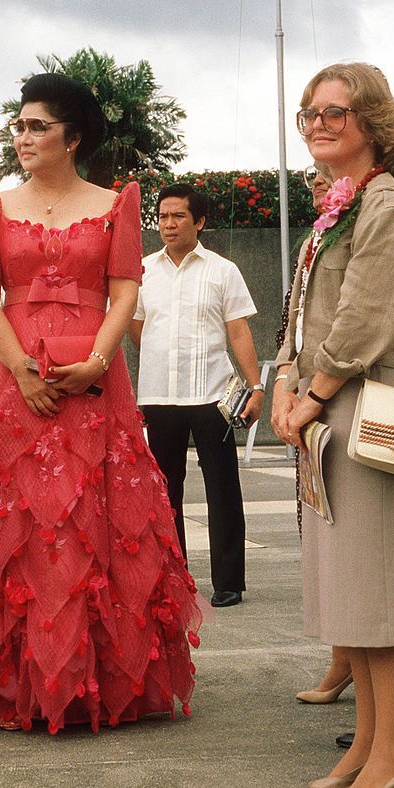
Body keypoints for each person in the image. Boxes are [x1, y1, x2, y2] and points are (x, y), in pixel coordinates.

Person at [0, 73, 203, 735]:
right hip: (16, 383)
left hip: (95, 381)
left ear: (72, 136)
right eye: (18, 125)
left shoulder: (116, 203)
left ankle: (100, 679)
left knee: (96, 520)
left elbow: (124, 291)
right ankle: (10, 682)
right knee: (8, 521)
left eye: (37, 125)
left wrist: (98, 361)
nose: (23, 136)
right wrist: (20, 369)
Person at [272, 62, 394, 788]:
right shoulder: (338, 208)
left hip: (373, 409)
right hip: (331, 406)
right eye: (309, 112)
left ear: (372, 121)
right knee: (353, 592)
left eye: (334, 112)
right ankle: (370, 742)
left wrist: (309, 396)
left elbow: (366, 317)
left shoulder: (387, 207)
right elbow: (303, 311)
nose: (316, 123)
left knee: (384, 591)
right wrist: (283, 381)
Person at [129, 183, 263, 608]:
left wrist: (256, 387)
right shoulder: (142, 271)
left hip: (212, 396)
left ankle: (228, 581)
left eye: (178, 217)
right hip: (159, 396)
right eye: (163, 217)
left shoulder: (223, 271)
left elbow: (238, 331)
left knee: (222, 487)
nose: (168, 225)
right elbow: (136, 327)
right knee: (163, 491)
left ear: (199, 221)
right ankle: (173, 576)